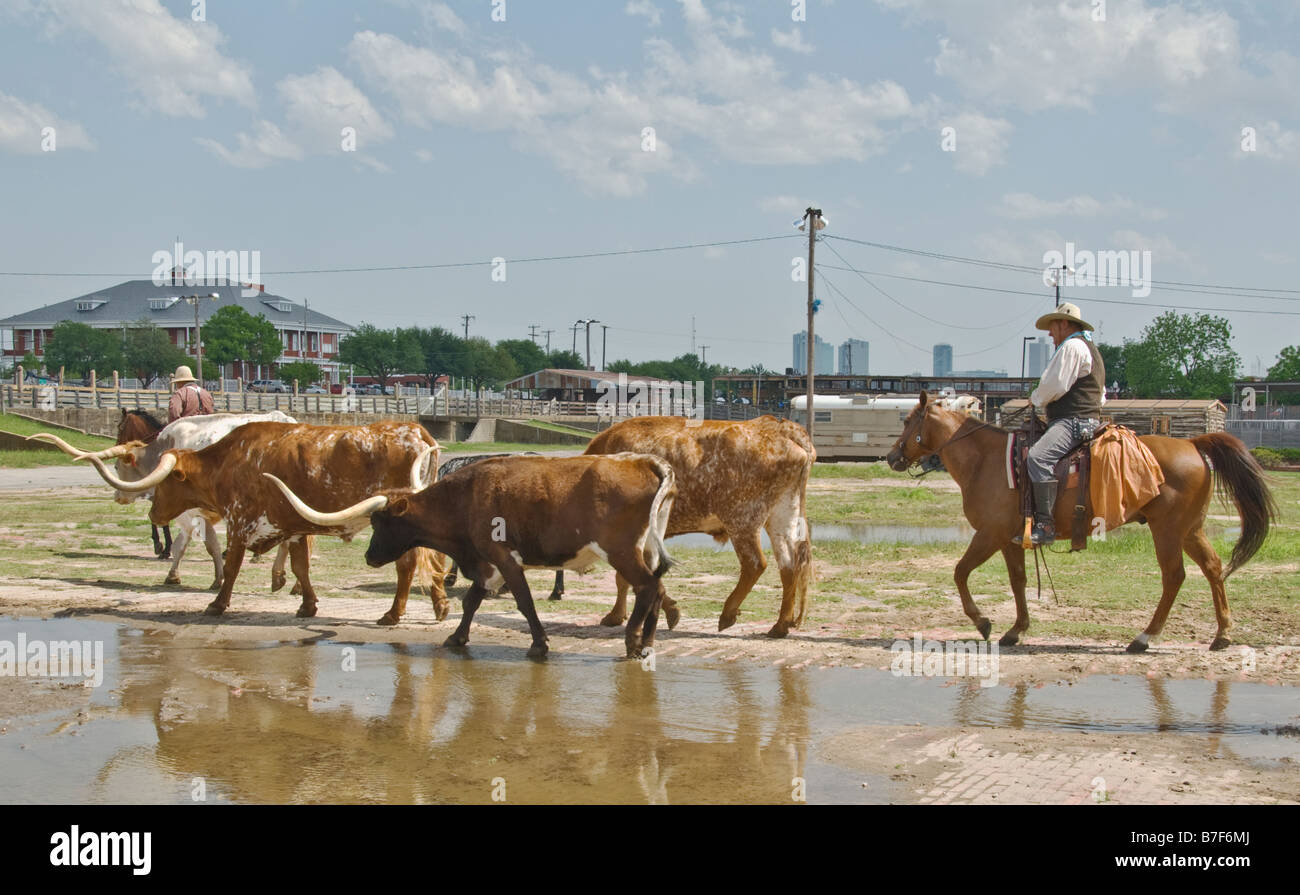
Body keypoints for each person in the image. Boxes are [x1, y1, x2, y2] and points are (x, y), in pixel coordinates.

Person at [1018, 302, 1106, 546]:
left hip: (1072, 422)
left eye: (1052, 327)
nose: (1049, 333)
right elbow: (1102, 394)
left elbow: (1054, 385)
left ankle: (1045, 526)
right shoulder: (1090, 348)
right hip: (1085, 419)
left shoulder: (1072, 346)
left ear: (1064, 323)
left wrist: (1035, 399)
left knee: (1037, 457)